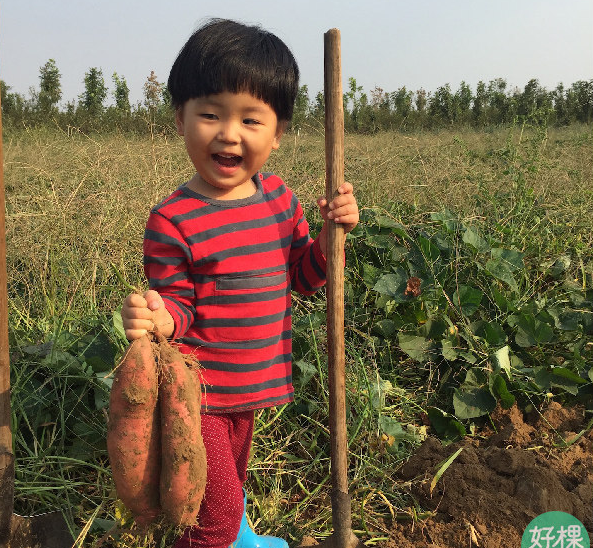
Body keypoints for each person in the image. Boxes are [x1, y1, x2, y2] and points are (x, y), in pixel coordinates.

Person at [120, 18, 359, 548]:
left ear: (277, 134)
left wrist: (329, 236)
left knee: (227, 490)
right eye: (210, 114)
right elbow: (179, 302)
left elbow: (305, 277)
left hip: (250, 389)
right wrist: (161, 317)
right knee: (213, 516)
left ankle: (238, 538)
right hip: (198, 396)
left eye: (251, 119)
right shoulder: (173, 219)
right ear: (180, 119)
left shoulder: (280, 201)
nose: (229, 133)